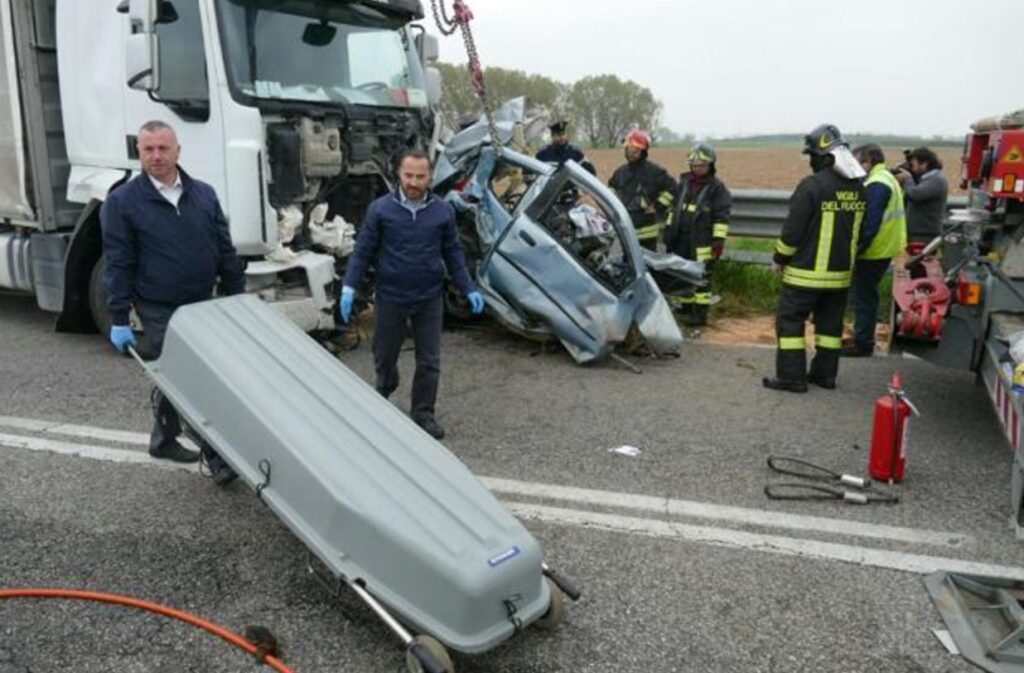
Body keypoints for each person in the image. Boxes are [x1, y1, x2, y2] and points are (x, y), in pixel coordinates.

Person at [102, 120, 245, 485]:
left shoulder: (204, 195)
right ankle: (217, 457)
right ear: (138, 153)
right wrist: (119, 316)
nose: (156, 156)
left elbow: (225, 250)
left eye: (163, 148)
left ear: (178, 151)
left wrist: (238, 298)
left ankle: (163, 439)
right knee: (192, 378)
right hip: (158, 306)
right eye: (148, 149)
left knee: (177, 374)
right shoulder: (122, 202)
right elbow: (119, 262)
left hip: (201, 303)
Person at [340, 149, 484, 440]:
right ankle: (385, 387)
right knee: (384, 354)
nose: (414, 182)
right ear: (399, 175)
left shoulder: (442, 212)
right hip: (391, 296)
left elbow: (453, 253)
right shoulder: (380, 210)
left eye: (420, 176)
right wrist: (349, 287)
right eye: (409, 176)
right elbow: (363, 251)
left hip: (428, 298)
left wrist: (468, 287)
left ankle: (423, 413)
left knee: (429, 361)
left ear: (430, 177)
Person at [763, 124, 867, 393]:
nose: (810, 161)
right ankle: (825, 375)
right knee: (830, 329)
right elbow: (865, 231)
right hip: (840, 277)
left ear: (824, 157)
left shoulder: (812, 186)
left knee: (790, 323)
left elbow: (793, 231)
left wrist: (779, 258)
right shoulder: (859, 187)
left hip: (804, 276)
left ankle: (791, 378)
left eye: (812, 155)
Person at [843, 144, 907, 357]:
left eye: (858, 161)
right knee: (867, 296)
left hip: (874, 250)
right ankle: (862, 336)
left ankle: (863, 343)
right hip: (884, 247)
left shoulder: (877, 183)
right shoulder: (886, 177)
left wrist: (856, 249)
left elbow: (869, 224)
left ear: (868, 160)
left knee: (864, 298)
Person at [664, 143, 731, 326]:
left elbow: (721, 218)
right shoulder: (684, 183)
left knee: (702, 278)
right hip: (681, 239)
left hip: (702, 242)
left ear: (710, 165)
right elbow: (673, 210)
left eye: (701, 165)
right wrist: (669, 233)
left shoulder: (717, 188)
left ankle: (700, 314)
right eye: (694, 165)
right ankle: (686, 307)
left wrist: (718, 241)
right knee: (682, 274)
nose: (697, 168)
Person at [608, 129, 677, 251]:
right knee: (627, 261)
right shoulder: (620, 172)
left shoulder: (654, 171)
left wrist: (657, 206)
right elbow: (611, 188)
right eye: (629, 150)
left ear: (643, 152)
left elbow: (673, 189)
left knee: (648, 261)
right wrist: (614, 205)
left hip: (647, 233)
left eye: (636, 151)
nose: (631, 154)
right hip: (627, 229)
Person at [895, 147, 948, 242]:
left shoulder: (936, 180)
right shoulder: (925, 179)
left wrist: (907, 179)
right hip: (919, 232)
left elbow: (914, 195)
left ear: (924, 164)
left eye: (913, 165)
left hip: (925, 234)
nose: (912, 168)